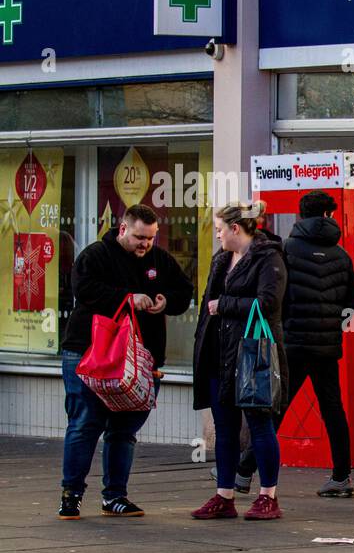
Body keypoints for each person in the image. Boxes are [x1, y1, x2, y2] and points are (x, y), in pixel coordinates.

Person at [58, 204, 193, 519]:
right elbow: (84, 289)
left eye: (150, 238)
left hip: (142, 361)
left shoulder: (160, 260)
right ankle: (71, 495)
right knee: (85, 424)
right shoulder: (95, 256)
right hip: (89, 353)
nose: (145, 244)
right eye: (138, 237)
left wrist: (166, 301)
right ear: (122, 229)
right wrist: (127, 298)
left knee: (124, 430)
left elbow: (184, 290)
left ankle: (115, 496)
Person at [230, 192, 354, 497]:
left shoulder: (286, 250)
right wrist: (331, 330)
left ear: (301, 216)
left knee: (276, 407)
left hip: (293, 344)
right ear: (327, 215)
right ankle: (341, 476)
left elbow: (277, 298)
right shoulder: (342, 256)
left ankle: (245, 471)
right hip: (327, 347)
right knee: (333, 410)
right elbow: (349, 308)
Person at [191, 202, 289, 520]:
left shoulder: (268, 257)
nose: (217, 234)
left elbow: (269, 302)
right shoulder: (222, 259)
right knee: (225, 428)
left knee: (260, 425)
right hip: (220, 356)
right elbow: (208, 306)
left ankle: (268, 496)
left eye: (220, 229)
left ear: (236, 229)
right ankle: (224, 494)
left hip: (252, 353)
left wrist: (226, 304)